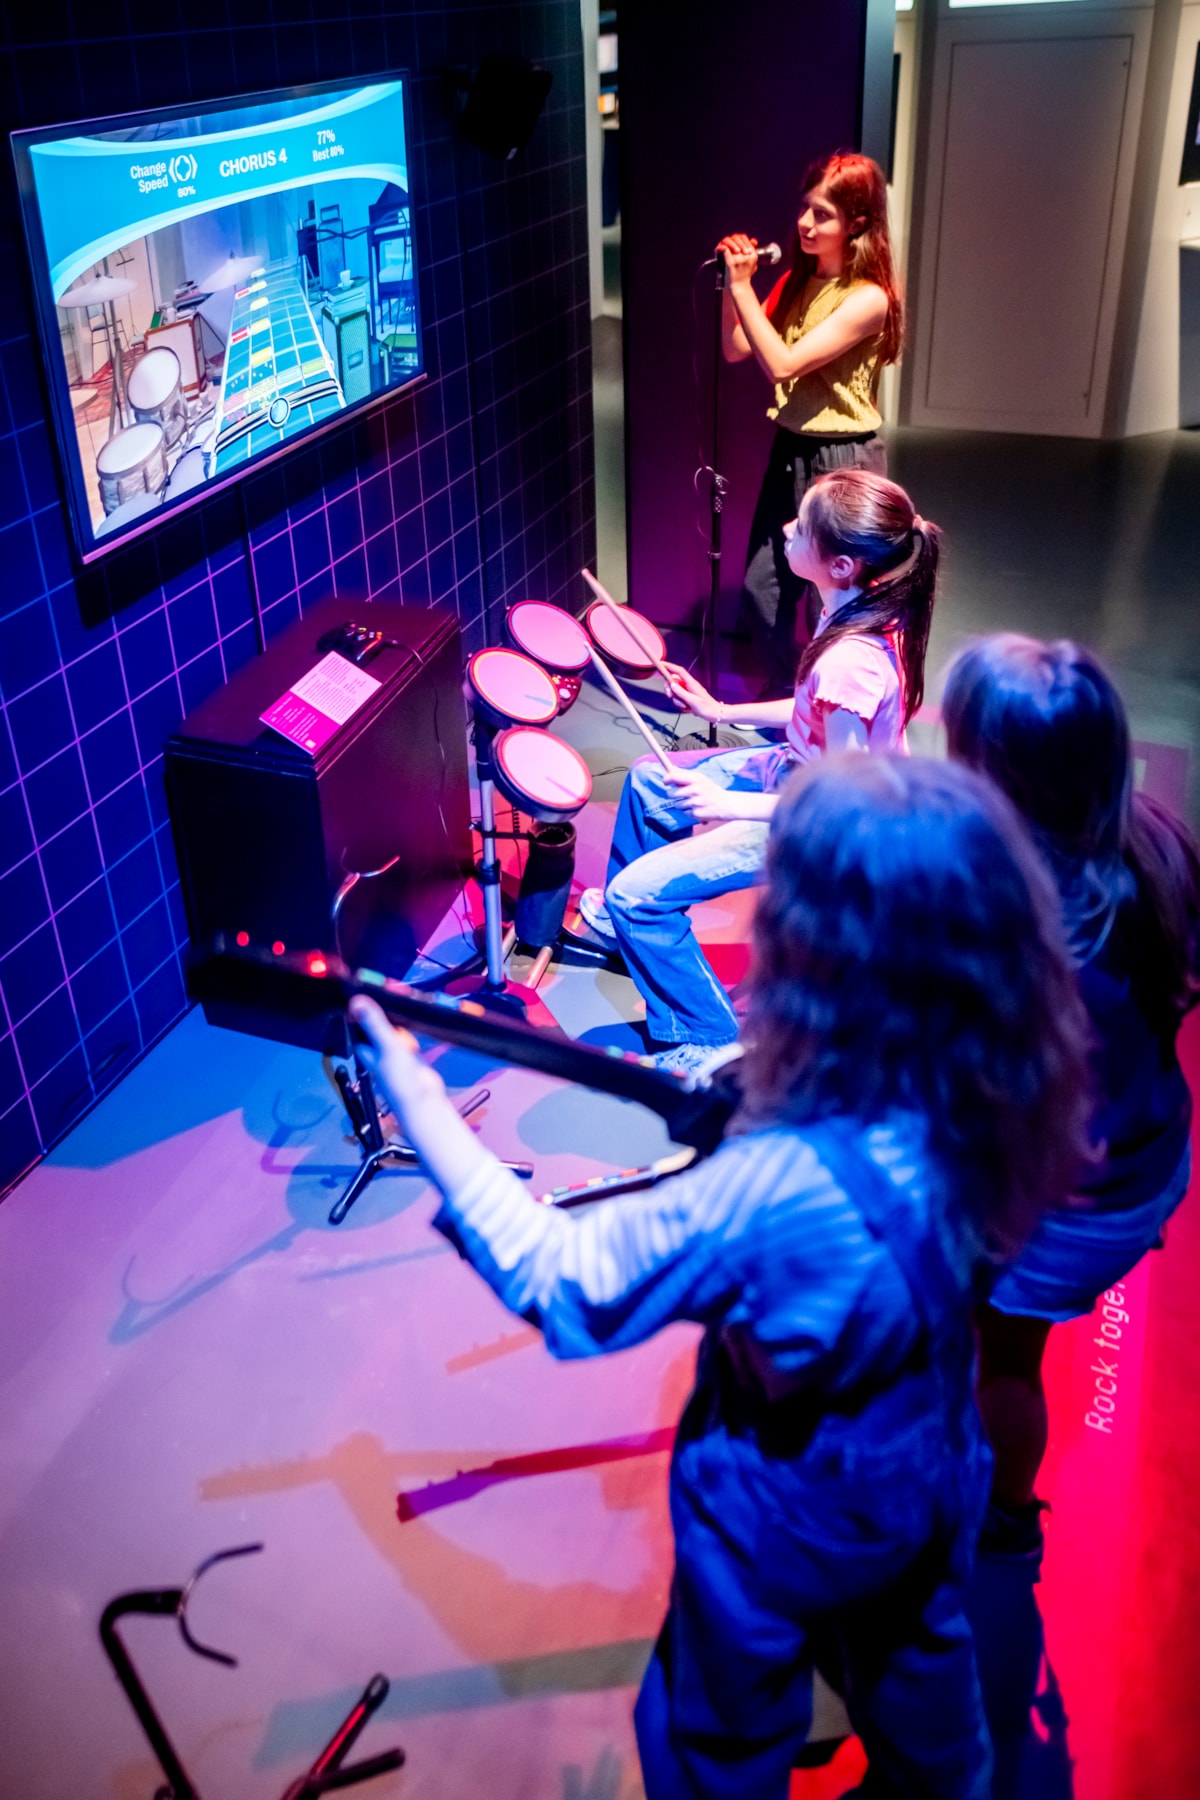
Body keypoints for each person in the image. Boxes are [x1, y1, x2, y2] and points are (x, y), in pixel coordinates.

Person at [351, 755, 1091, 1800]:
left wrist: (415, 1098)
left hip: (785, 1507)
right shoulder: (996, 1087)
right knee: (934, 1725)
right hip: (924, 1469)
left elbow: (557, 1278)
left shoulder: (775, 1190)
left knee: (716, 1744)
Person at [943, 635, 1200, 1553]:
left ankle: (1005, 1523)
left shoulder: (1012, 926)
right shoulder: (1154, 842)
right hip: (1145, 1159)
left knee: (1004, 1359)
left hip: (1067, 1203)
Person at [579, 467, 941, 1075]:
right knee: (648, 780)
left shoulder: (853, 658)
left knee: (633, 895)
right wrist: (720, 709)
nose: (787, 529)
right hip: (797, 773)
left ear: (842, 564)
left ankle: (709, 1037)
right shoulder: (854, 608)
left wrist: (728, 806)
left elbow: (842, 799)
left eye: (801, 528)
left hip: (826, 826)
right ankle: (632, 937)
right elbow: (812, 708)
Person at [719, 150, 904, 695]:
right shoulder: (798, 283)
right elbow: (736, 348)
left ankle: (836, 706)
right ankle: (792, 699)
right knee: (764, 586)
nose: (804, 223)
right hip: (793, 450)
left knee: (838, 598)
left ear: (858, 223)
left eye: (822, 214)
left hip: (844, 460)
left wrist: (742, 289)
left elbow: (780, 364)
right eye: (805, 208)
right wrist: (741, 291)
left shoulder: (868, 298)